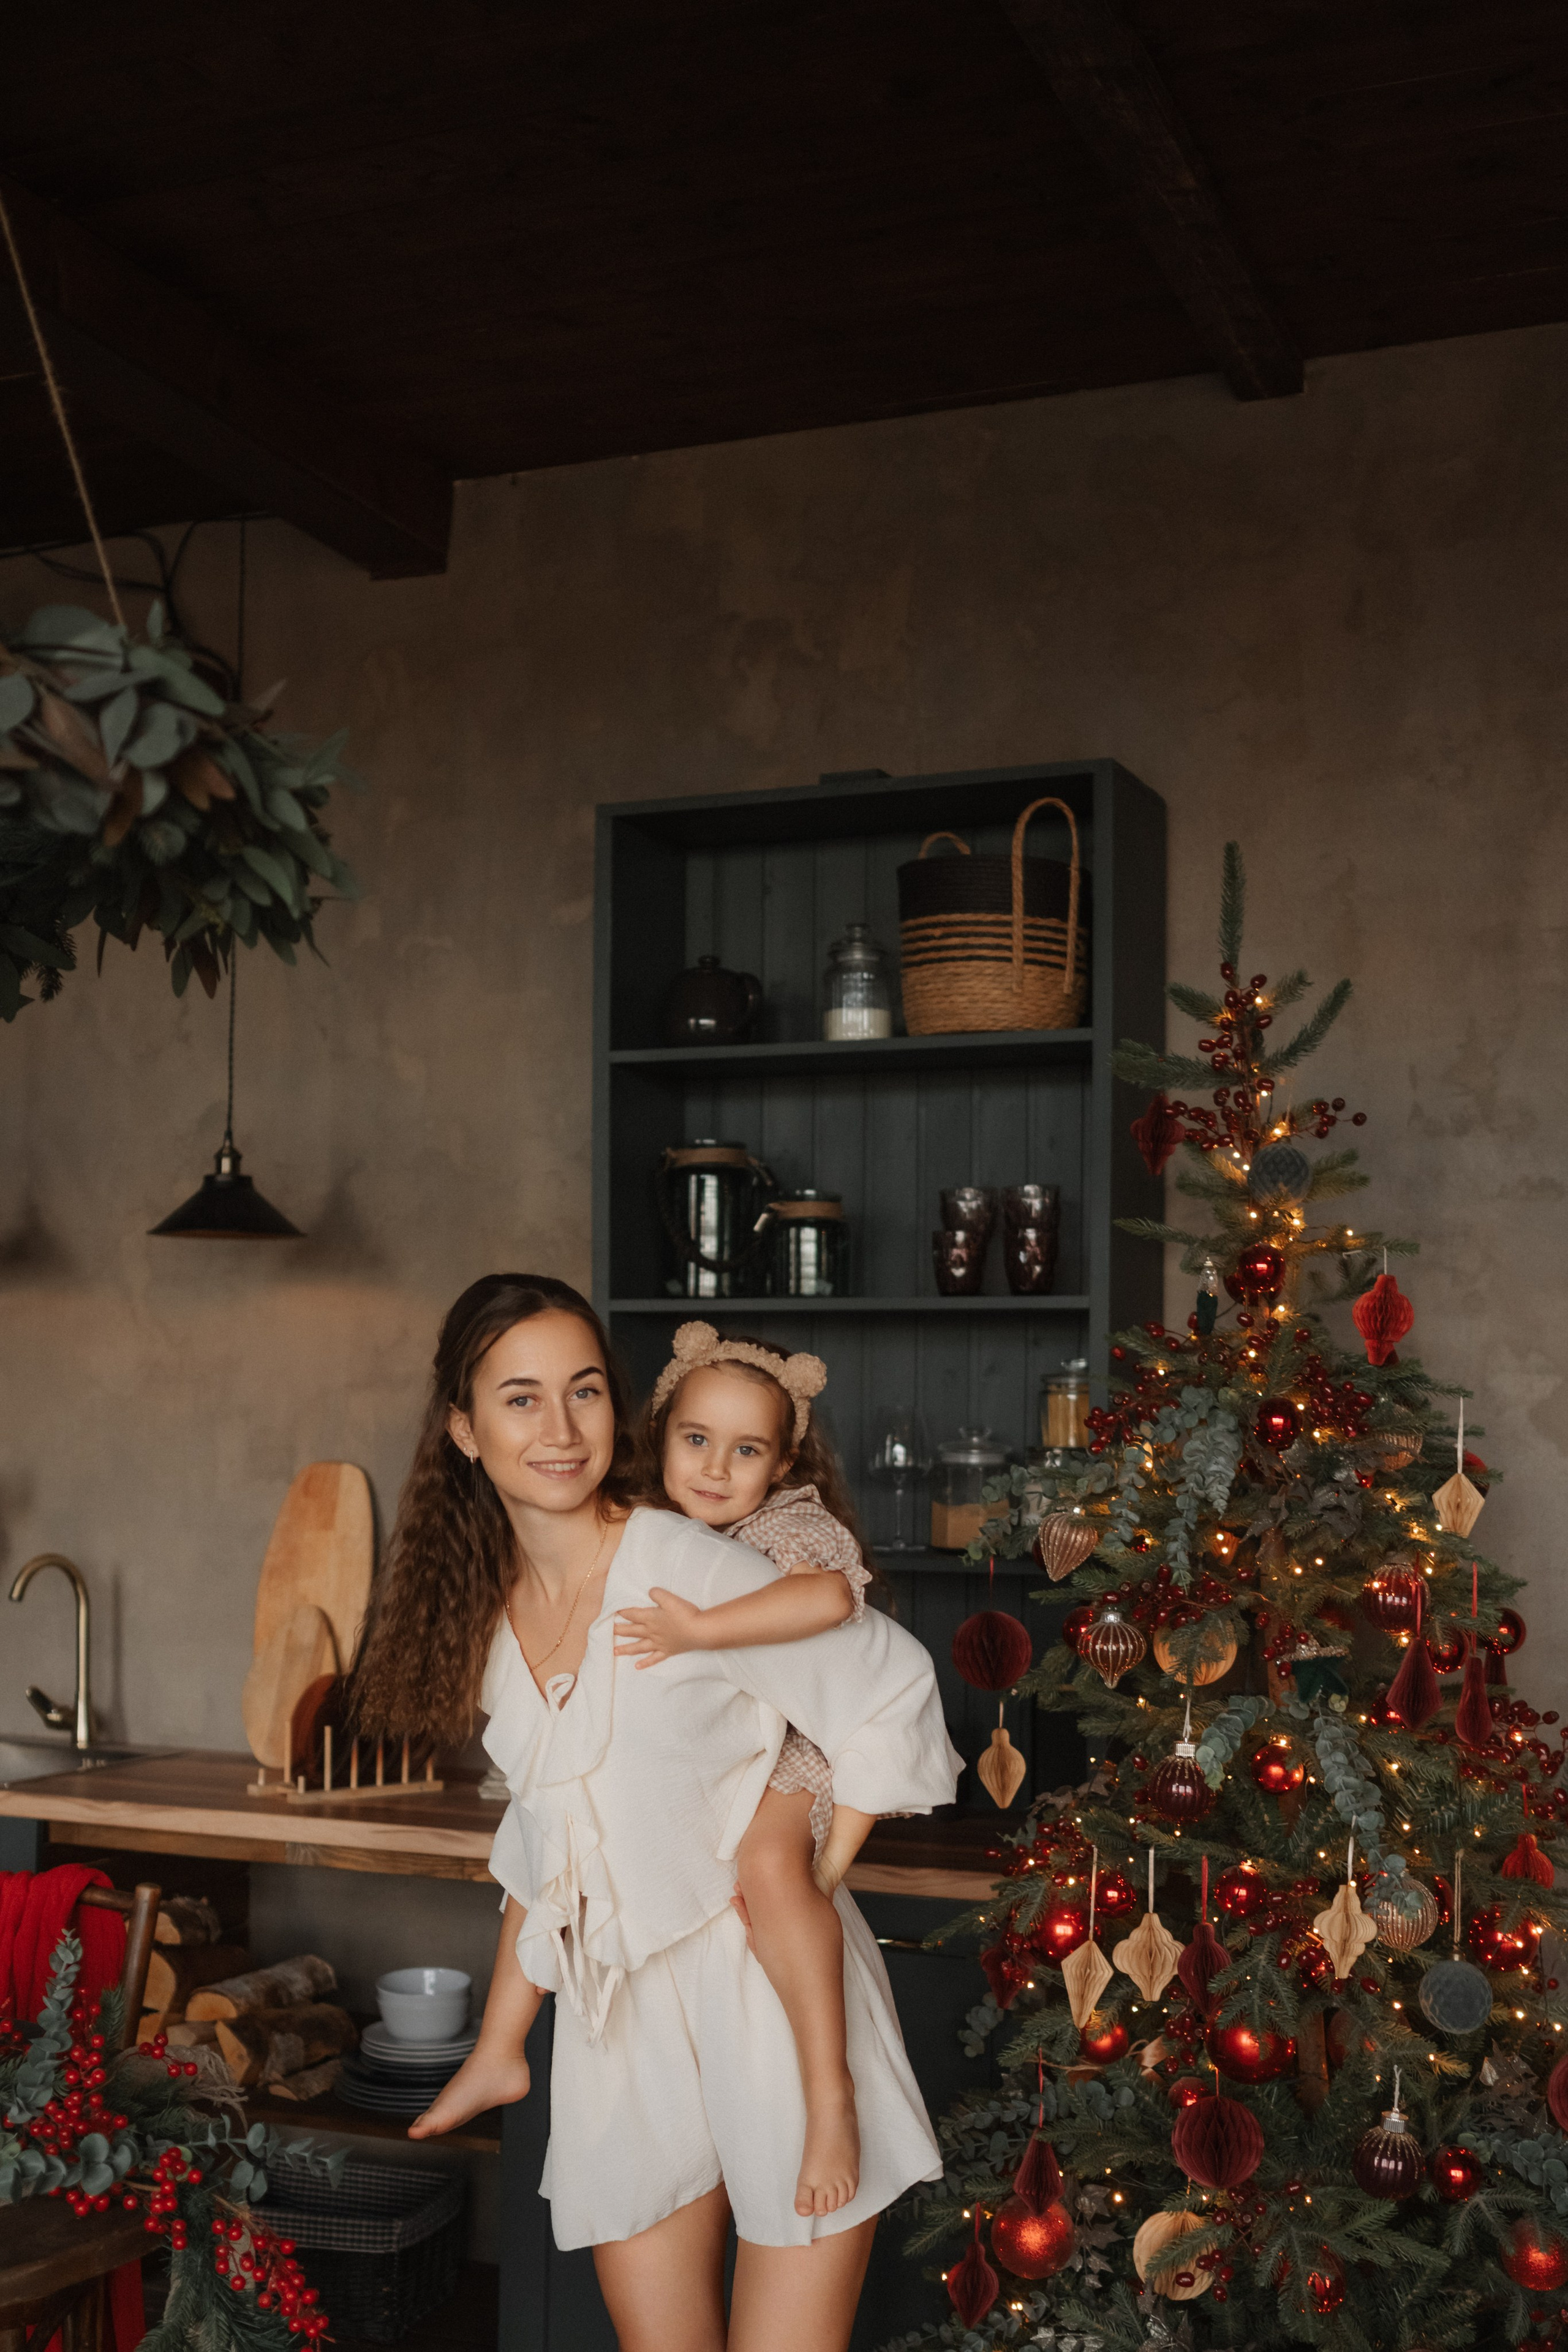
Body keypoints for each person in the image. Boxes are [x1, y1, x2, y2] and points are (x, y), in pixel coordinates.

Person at [351, 1273, 960, 2352]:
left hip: (764, 1991)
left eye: (585, 1391)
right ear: (463, 1426)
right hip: (617, 2021)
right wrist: (504, 2041)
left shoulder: (688, 1564)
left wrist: (812, 1870)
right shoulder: (488, 1625)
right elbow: (551, 1856)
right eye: (522, 1398)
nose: (562, 1427)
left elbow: (889, 1685)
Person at [614, 1321, 884, 2222]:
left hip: (813, 1742)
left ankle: (829, 2095)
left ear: (784, 1461)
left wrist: (697, 1632)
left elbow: (827, 1596)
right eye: (697, 1440)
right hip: (741, 1747)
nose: (716, 1468)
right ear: (661, 1436)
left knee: (768, 1867)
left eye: (747, 1449)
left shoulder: (790, 1524)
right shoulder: (651, 1528)